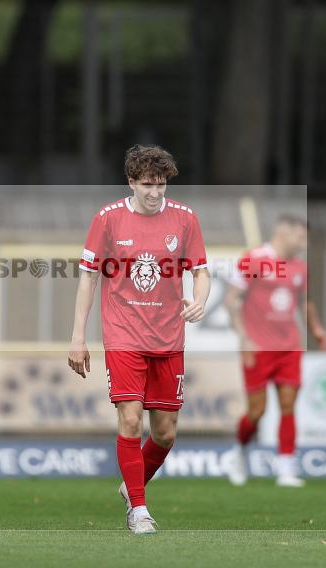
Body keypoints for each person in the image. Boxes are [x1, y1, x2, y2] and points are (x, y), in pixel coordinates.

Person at [68, 144, 210, 535]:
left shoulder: (184, 219)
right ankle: (139, 511)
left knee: (165, 433)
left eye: (161, 184)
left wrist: (199, 300)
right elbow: (88, 277)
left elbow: (201, 271)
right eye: (147, 184)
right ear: (131, 182)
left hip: (168, 337)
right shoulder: (108, 219)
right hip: (123, 335)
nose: (155, 192)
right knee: (130, 419)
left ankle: (131, 486)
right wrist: (77, 337)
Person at [224, 214, 326, 487]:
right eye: (300, 236)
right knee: (257, 411)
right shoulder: (254, 258)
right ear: (283, 233)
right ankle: (239, 450)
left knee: (288, 405)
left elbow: (305, 302)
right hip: (258, 348)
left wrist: (316, 329)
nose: (304, 242)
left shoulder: (300, 267)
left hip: (289, 347)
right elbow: (232, 300)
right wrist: (243, 337)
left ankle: (285, 468)